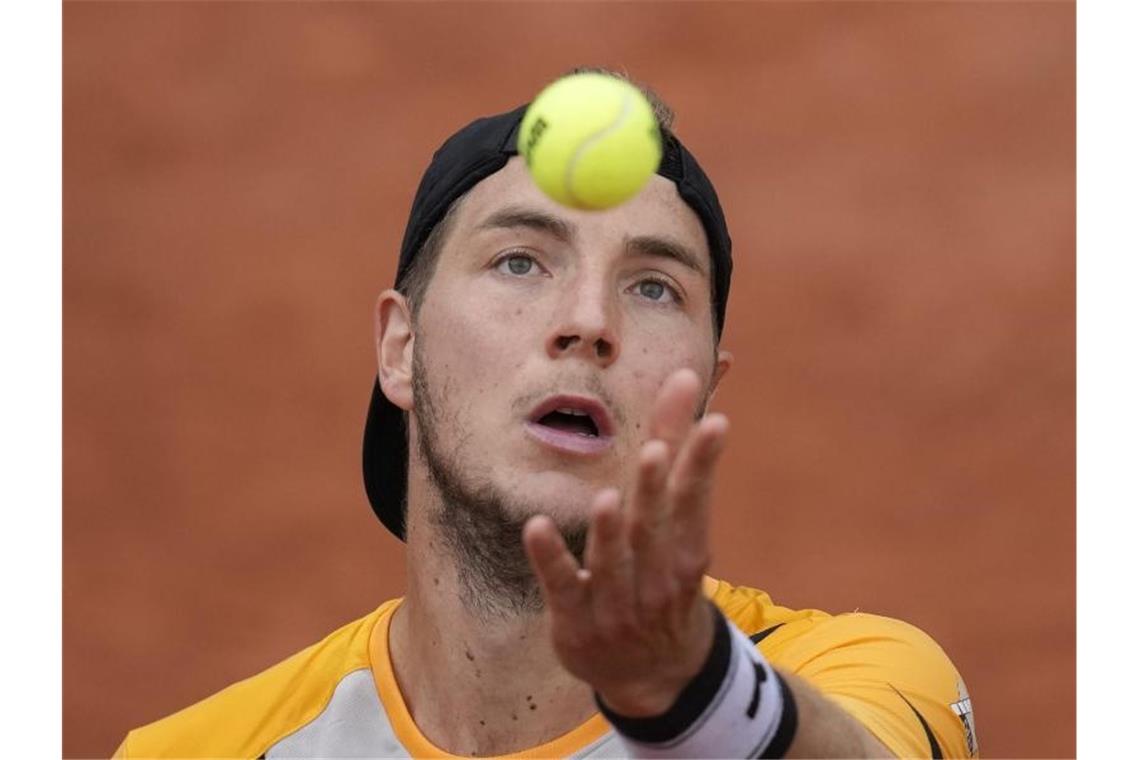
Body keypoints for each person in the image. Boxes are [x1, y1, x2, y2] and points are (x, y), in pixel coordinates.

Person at [114, 69, 978, 759]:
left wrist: (694, 693)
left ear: (706, 383)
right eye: (521, 262)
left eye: (653, 286)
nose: (591, 322)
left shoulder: (843, 679)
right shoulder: (201, 752)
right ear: (400, 350)